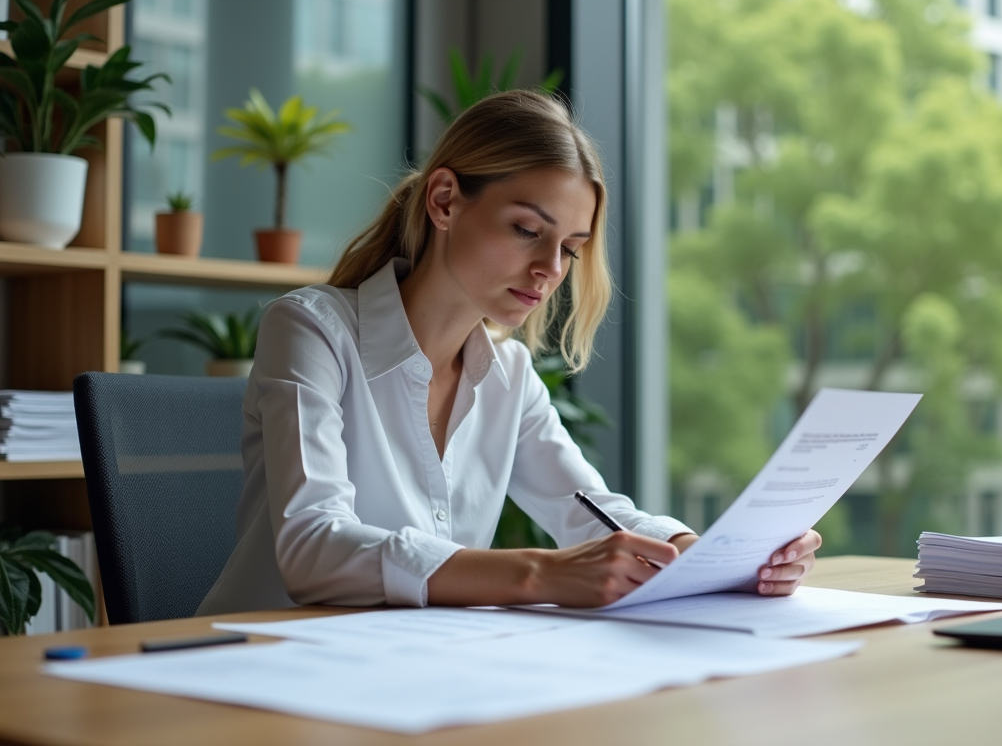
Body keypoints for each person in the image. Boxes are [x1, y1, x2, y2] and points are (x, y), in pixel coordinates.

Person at [196, 89, 821, 616]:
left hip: (404, 676)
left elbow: (595, 514)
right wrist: (540, 576)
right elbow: (314, 550)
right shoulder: (313, 331)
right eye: (527, 230)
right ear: (444, 200)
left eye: (571, 248)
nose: (550, 269)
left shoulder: (509, 376)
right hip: (254, 673)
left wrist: (714, 558)